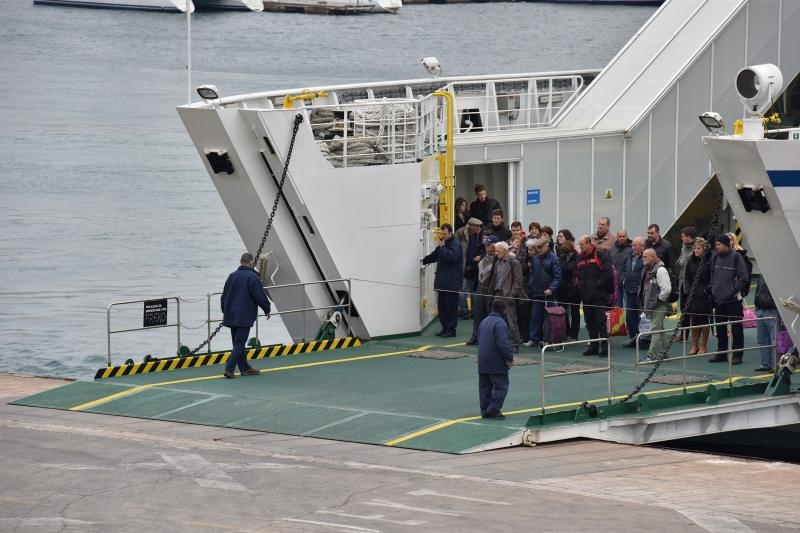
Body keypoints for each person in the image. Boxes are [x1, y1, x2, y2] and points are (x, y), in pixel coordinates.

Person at [220, 253, 272, 379]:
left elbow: (224, 296)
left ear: (241, 261)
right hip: (244, 315)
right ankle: (229, 368)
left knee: (237, 343)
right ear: (251, 263)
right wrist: (267, 308)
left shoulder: (232, 276)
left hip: (231, 314)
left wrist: (224, 310)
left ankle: (245, 368)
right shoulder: (252, 278)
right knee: (239, 343)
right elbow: (259, 296)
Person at [708, 234, 749, 364]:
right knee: (720, 328)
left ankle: (737, 355)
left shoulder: (737, 257)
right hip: (719, 300)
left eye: (719, 244)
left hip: (733, 301)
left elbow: (744, 278)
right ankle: (722, 353)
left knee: (736, 328)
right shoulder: (715, 257)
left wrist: (731, 291)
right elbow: (712, 275)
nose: (717, 246)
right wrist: (713, 289)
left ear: (726, 245)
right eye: (716, 244)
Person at [422, 223, 463, 338]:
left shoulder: (455, 244)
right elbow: (435, 255)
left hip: (451, 283)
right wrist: (422, 261)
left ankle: (451, 330)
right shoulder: (443, 245)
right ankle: (445, 327)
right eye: (441, 233)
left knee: (451, 307)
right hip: (443, 282)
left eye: (444, 234)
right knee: (442, 307)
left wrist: (443, 247)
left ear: (451, 233)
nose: (442, 235)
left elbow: (452, 258)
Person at [481, 241, 523, 351]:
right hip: (496, 294)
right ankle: (499, 342)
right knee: (496, 320)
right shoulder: (497, 263)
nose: (495, 253)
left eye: (497, 250)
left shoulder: (514, 263)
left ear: (504, 251)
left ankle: (514, 345)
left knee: (511, 321)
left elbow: (518, 282)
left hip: (507, 295)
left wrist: (511, 295)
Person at [576, 235, 613, 356]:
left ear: (588, 243)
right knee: (589, 322)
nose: (580, 247)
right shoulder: (580, 258)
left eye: (581, 245)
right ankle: (594, 346)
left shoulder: (600, 254)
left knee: (600, 322)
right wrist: (579, 288)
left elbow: (607, 272)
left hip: (598, 296)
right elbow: (576, 275)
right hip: (585, 296)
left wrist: (598, 285)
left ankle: (605, 347)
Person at [477, 299, 514, 420]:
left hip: (482, 361)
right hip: (495, 361)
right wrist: (509, 358)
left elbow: (478, 340)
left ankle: (485, 410)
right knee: (501, 386)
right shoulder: (500, 323)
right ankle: (493, 409)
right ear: (504, 310)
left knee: (484, 387)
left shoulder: (484, 321)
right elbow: (503, 343)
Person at [523, 236, 562, 348]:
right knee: (535, 317)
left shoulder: (554, 259)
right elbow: (532, 275)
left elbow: (558, 277)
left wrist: (551, 289)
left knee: (549, 318)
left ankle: (548, 340)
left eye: (540, 247)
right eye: (537, 247)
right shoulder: (535, 258)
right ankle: (534, 339)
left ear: (547, 246)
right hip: (537, 292)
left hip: (549, 294)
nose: (538, 249)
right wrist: (530, 287)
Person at [640, 248, 672, 362]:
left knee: (655, 329)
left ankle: (651, 354)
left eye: (645, 256)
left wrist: (657, 301)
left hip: (658, 305)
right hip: (652, 304)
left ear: (653, 257)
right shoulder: (648, 269)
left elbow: (666, 289)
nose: (643, 259)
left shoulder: (660, 270)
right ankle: (665, 353)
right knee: (659, 328)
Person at [466, 235, 498, 345]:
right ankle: (475, 336)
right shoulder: (484, 254)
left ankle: (489, 339)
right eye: (486, 245)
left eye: (489, 245)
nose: (487, 247)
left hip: (490, 289)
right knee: (478, 313)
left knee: (490, 315)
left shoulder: (499, 258)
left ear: (495, 245)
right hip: (480, 287)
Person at [683, 237, 712, 356]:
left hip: (704, 294)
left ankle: (703, 345)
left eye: (698, 248)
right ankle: (694, 345)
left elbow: (712, 277)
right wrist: (688, 289)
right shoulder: (691, 260)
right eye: (695, 248)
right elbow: (687, 276)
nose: (695, 250)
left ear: (704, 249)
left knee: (704, 320)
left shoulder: (709, 261)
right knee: (693, 320)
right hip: (693, 294)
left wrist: (706, 290)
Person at [455, 217, 483, 319]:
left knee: (474, 290)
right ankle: (464, 311)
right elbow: (455, 247)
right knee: (461, 289)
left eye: (479, 226)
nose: (478, 228)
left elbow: (483, 248)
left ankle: (474, 312)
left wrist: (480, 256)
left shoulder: (480, 234)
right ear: (470, 226)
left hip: (475, 266)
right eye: (476, 226)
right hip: (463, 265)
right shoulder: (460, 233)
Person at [621, 237, 646, 348]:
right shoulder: (629, 257)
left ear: (642, 246)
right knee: (630, 317)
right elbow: (624, 270)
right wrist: (622, 280)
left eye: (635, 245)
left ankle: (643, 340)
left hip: (640, 293)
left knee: (642, 317)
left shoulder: (645, 258)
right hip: (629, 291)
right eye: (632, 245)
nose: (633, 247)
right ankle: (633, 338)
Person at [675, 226, 697, 341]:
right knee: (683, 309)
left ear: (689, 237)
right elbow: (682, 261)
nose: (681, 238)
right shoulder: (684, 247)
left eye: (683, 236)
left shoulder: (696, 249)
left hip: (692, 284)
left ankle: (694, 336)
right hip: (682, 282)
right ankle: (683, 334)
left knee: (692, 310)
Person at [557, 238, 581, 341]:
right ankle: (566, 332)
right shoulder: (561, 257)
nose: (566, 254)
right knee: (563, 311)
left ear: (571, 250)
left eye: (567, 253)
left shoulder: (578, 258)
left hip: (575, 289)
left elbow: (576, 273)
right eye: (564, 253)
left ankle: (574, 335)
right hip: (562, 288)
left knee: (575, 312)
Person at [754, 276, 779, 372]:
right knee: (762, 339)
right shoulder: (762, 275)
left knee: (774, 339)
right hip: (761, 309)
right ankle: (766, 364)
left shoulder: (775, 273)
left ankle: (775, 365)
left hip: (771, 310)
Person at [610, 229, 632, 307]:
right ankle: (619, 319)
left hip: (627, 282)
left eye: (623, 236)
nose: (622, 238)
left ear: (626, 237)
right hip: (615, 282)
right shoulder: (612, 249)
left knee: (628, 304)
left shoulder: (631, 249)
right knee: (617, 305)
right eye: (620, 236)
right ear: (617, 237)